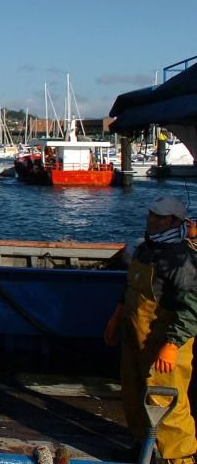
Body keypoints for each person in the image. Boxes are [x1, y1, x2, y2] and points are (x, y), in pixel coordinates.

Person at [104, 195, 197, 463]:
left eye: (160, 217)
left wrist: (173, 344)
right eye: (151, 214)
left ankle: (178, 457)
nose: (153, 220)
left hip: (165, 341)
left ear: (175, 221)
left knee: (166, 400)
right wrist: (116, 317)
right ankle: (144, 446)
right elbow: (131, 287)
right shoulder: (145, 249)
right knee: (134, 393)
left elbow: (191, 307)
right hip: (135, 335)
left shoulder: (182, 258)